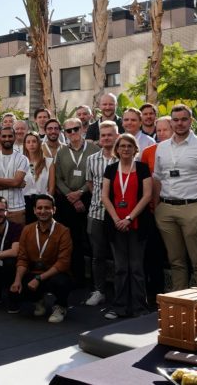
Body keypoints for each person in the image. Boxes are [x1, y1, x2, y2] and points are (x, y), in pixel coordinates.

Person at [153, 104, 197, 290]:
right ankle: (179, 303)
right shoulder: (161, 147)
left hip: (194, 208)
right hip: (166, 209)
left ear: (191, 121)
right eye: (175, 120)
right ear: (171, 122)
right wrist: (157, 206)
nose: (179, 123)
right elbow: (157, 178)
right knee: (176, 262)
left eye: (184, 119)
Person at [100, 134, 153, 319]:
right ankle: (119, 307)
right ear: (117, 149)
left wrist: (129, 218)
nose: (126, 149)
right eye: (122, 146)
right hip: (115, 225)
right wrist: (117, 219)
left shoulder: (142, 168)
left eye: (129, 146)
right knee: (120, 268)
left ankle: (140, 308)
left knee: (137, 268)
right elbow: (104, 196)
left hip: (137, 224)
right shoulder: (110, 169)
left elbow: (147, 195)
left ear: (135, 149)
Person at [10, 194, 72, 322]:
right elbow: (22, 258)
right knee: (17, 285)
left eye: (47, 208)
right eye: (39, 208)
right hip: (34, 272)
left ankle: (61, 306)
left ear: (54, 210)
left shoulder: (63, 231)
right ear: (34, 210)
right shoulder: (27, 230)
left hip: (53, 273)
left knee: (62, 282)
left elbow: (63, 263)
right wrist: (17, 280)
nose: (43, 211)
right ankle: (38, 301)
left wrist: (39, 278)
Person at [53, 117, 99, 286]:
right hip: (67, 200)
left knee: (92, 239)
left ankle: (95, 280)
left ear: (82, 129)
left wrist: (80, 192)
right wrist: (71, 196)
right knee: (72, 240)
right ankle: (77, 277)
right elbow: (58, 178)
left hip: (89, 197)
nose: (73, 132)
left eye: (76, 129)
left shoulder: (94, 149)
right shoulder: (62, 152)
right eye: (69, 130)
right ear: (65, 133)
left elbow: (97, 175)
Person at [83, 120, 118, 308]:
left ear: (116, 136)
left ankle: (120, 292)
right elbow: (90, 184)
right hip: (96, 212)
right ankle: (99, 291)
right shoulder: (91, 159)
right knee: (98, 255)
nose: (106, 138)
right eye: (103, 135)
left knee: (119, 255)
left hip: (118, 214)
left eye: (109, 135)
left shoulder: (123, 158)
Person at [139, 115, 171, 301]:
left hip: (175, 205)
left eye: (165, 129)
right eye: (159, 130)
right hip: (152, 208)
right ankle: (154, 292)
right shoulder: (148, 152)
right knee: (153, 252)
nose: (161, 133)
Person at [0, 126, 29, 225]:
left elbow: (16, 182)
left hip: (16, 208)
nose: (7, 139)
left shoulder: (23, 159)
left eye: (10, 136)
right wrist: (16, 184)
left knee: (17, 235)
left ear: (14, 137)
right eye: (4, 136)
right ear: (0, 138)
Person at [23, 132, 54, 224]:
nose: (31, 144)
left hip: (43, 201)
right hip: (25, 201)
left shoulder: (48, 162)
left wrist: (48, 203)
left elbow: (51, 187)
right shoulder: (21, 162)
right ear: (25, 145)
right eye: (28, 142)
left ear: (39, 143)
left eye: (34, 141)